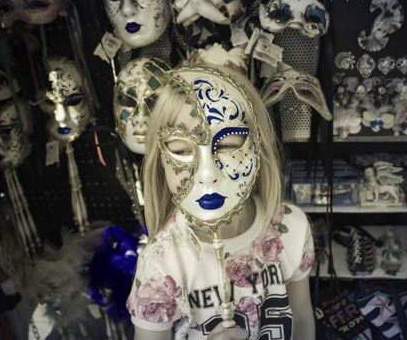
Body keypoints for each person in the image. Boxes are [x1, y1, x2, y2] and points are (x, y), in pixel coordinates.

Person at [127, 65, 316, 340]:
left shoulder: (292, 229)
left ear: (258, 146)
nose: (206, 175)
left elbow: (301, 319)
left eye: (227, 145)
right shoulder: (160, 264)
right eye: (181, 150)